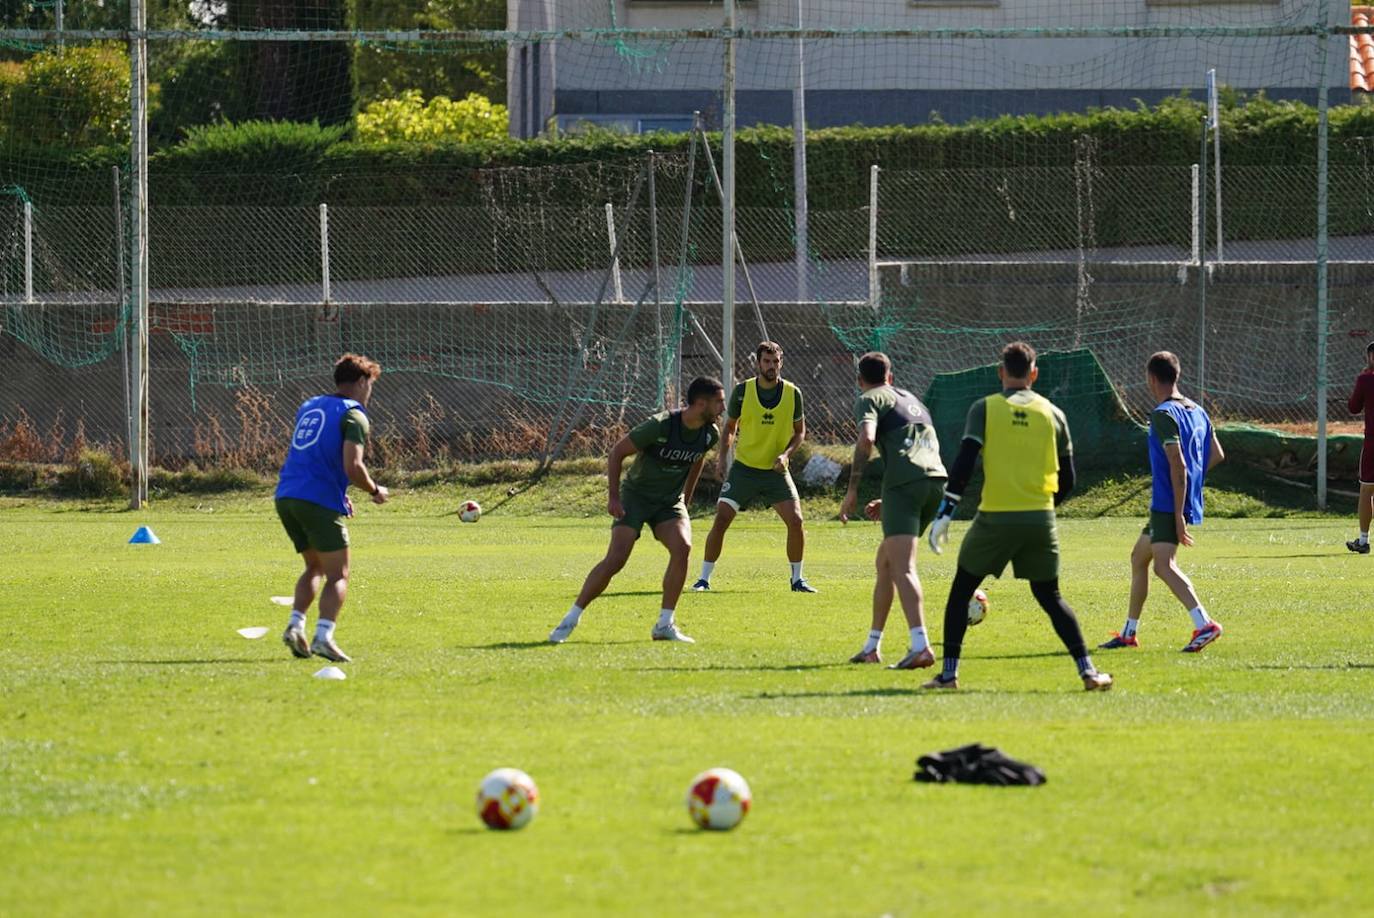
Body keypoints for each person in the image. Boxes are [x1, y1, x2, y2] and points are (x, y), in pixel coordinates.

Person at [925, 342, 1112, 692]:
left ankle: (949, 675)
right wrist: (1042, 509)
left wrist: (947, 510)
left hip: (995, 518)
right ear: (1034, 373)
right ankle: (1088, 672)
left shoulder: (985, 408)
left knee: (960, 592)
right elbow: (1069, 478)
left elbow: (965, 462)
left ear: (1001, 372)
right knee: (1050, 597)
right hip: (1040, 518)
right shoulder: (1053, 413)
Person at [550, 377, 726, 644]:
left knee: (683, 548)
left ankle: (664, 625)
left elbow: (696, 462)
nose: (723, 407)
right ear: (701, 403)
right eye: (719, 402)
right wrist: (613, 498)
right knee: (616, 559)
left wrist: (684, 501)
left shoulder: (709, 434)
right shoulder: (661, 425)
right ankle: (570, 619)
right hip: (636, 497)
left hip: (668, 503)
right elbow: (616, 453)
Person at [1102, 352, 1225, 652]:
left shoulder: (1163, 413)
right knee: (1138, 558)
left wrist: (1179, 509)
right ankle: (1129, 633)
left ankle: (1204, 624)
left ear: (1152, 379)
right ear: (1176, 375)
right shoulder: (1198, 411)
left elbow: (1177, 462)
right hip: (1174, 500)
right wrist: (1190, 486)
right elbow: (1217, 455)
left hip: (1169, 502)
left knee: (1163, 566)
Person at [275, 353, 389, 663]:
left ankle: (295, 625)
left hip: (287, 495)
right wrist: (375, 490)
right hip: (316, 499)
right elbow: (353, 466)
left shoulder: (309, 406)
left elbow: (316, 453)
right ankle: (324, 637)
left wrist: (339, 492)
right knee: (338, 574)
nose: (369, 392)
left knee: (314, 566)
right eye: (370, 385)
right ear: (363, 381)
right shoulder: (354, 415)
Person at [838, 352, 948, 669]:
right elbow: (917, 445)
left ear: (860, 380)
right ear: (891, 376)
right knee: (885, 561)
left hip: (905, 485)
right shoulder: (912, 399)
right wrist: (895, 500)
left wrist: (853, 488)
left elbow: (866, 439)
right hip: (934, 481)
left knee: (904, 567)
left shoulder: (869, 398)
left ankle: (921, 646)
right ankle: (872, 646)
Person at [693, 341, 815, 593]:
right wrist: (722, 458)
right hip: (744, 469)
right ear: (758, 363)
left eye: (776, 361)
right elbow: (730, 427)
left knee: (796, 520)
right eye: (767, 361)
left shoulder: (793, 393)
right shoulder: (742, 391)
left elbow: (800, 432)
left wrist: (786, 455)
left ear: (781, 363)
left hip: (776, 472)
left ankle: (797, 580)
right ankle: (703, 579)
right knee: (722, 518)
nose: (772, 366)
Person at [1346, 341, 1374, 554]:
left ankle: (1363, 541)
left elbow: (1354, 407)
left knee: (1367, 490)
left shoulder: (1365, 380)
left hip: (1373, 442)